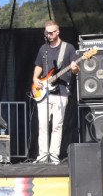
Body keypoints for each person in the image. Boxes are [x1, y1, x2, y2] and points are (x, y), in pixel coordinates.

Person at [32, 20, 80, 164]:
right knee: (42, 125)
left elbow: (76, 70)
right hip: (44, 92)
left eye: (52, 32)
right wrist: (35, 78)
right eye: (47, 33)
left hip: (61, 92)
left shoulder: (68, 48)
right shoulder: (44, 49)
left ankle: (53, 154)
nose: (50, 35)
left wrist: (74, 68)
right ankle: (42, 154)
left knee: (57, 125)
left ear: (58, 31)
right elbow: (39, 65)